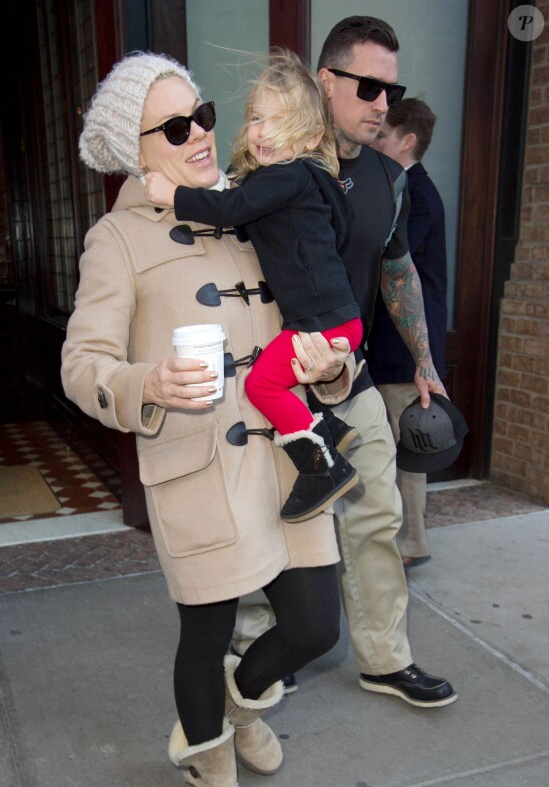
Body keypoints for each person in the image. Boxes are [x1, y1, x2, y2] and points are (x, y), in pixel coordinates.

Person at [61, 51, 355, 787]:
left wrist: (334, 367)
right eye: (176, 125)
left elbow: (318, 302)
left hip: (286, 460)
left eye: (205, 113)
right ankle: (210, 774)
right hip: (200, 463)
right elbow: (81, 365)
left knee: (313, 626)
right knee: (208, 629)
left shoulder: (253, 199)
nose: (202, 134)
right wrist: (146, 380)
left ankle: (240, 707)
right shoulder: (117, 239)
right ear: (137, 146)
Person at [234, 16, 458, 709]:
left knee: (375, 515)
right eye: (367, 86)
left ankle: (384, 658)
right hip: (274, 377)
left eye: (391, 90)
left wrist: (423, 358)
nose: (381, 104)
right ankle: (260, 643)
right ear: (325, 82)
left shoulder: (390, 179)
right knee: (271, 514)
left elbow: (398, 271)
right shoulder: (267, 164)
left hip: (348, 371)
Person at [143, 49, 362, 524]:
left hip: (323, 322)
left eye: (279, 122)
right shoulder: (311, 182)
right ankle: (327, 426)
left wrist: (173, 195)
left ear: (311, 136)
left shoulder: (285, 177)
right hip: (336, 317)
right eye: (257, 117)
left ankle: (323, 466)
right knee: (274, 379)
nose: (262, 132)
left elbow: (231, 209)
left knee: (262, 383)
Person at [368, 98, 448, 569]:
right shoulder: (405, 189)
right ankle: (403, 538)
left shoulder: (416, 193)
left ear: (407, 140)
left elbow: (393, 262)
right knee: (396, 444)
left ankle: (412, 541)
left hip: (404, 348)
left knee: (407, 445)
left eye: (384, 135)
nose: (376, 141)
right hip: (395, 344)